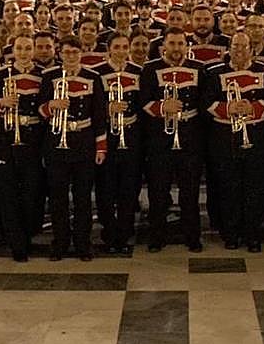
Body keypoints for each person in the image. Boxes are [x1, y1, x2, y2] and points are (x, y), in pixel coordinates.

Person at [205, 33, 264, 252]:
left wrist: (252, 109)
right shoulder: (214, 73)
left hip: (256, 139)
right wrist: (229, 109)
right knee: (229, 189)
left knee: (255, 190)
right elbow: (206, 102)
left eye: (243, 46)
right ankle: (231, 234)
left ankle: (253, 235)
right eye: (235, 46)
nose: (239, 50)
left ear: (251, 49)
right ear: (229, 48)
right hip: (225, 140)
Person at [40, 38, 106, 261]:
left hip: (84, 142)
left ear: (81, 53)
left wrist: (101, 147)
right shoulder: (49, 77)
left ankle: (82, 243)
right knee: (58, 197)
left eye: (74, 52)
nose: (70, 56)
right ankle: (59, 242)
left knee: (82, 197)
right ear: (59, 53)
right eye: (66, 52)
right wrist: (51, 106)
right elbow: (39, 111)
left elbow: (98, 115)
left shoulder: (92, 78)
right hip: (56, 141)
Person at [142, 28, 206, 252]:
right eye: (172, 43)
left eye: (180, 43)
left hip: (190, 138)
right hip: (160, 139)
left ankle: (192, 237)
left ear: (186, 46)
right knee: (158, 191)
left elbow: (204, 102)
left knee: (190, 192)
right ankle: (157, 237)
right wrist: (162, 107)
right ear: (164, 46)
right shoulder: (150, 69)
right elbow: (143, 101)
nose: (176, 48)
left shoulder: (199, 69)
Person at [0, 34, 46, 262]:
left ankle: (29, 234)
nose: (23, 53)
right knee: (9, 194)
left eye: (27, 48)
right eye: (19, 49)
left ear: (33, 50)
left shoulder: (42, 75)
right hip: (7, 138)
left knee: (32, 193)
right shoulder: (1, 75)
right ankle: (16, 243)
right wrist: (1, 104)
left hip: (32, 139)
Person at [94, 33, 145, 256]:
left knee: (129, 187)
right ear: (109, 49)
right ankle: (109, 230)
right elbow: (92, 106)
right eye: (117, 47)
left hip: (131, 134)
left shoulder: (137, 72)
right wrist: (107, 110)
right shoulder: (98, 73)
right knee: (106, 186)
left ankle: (124, 232)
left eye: (125, 46)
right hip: (108, 135)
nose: (122, 50)